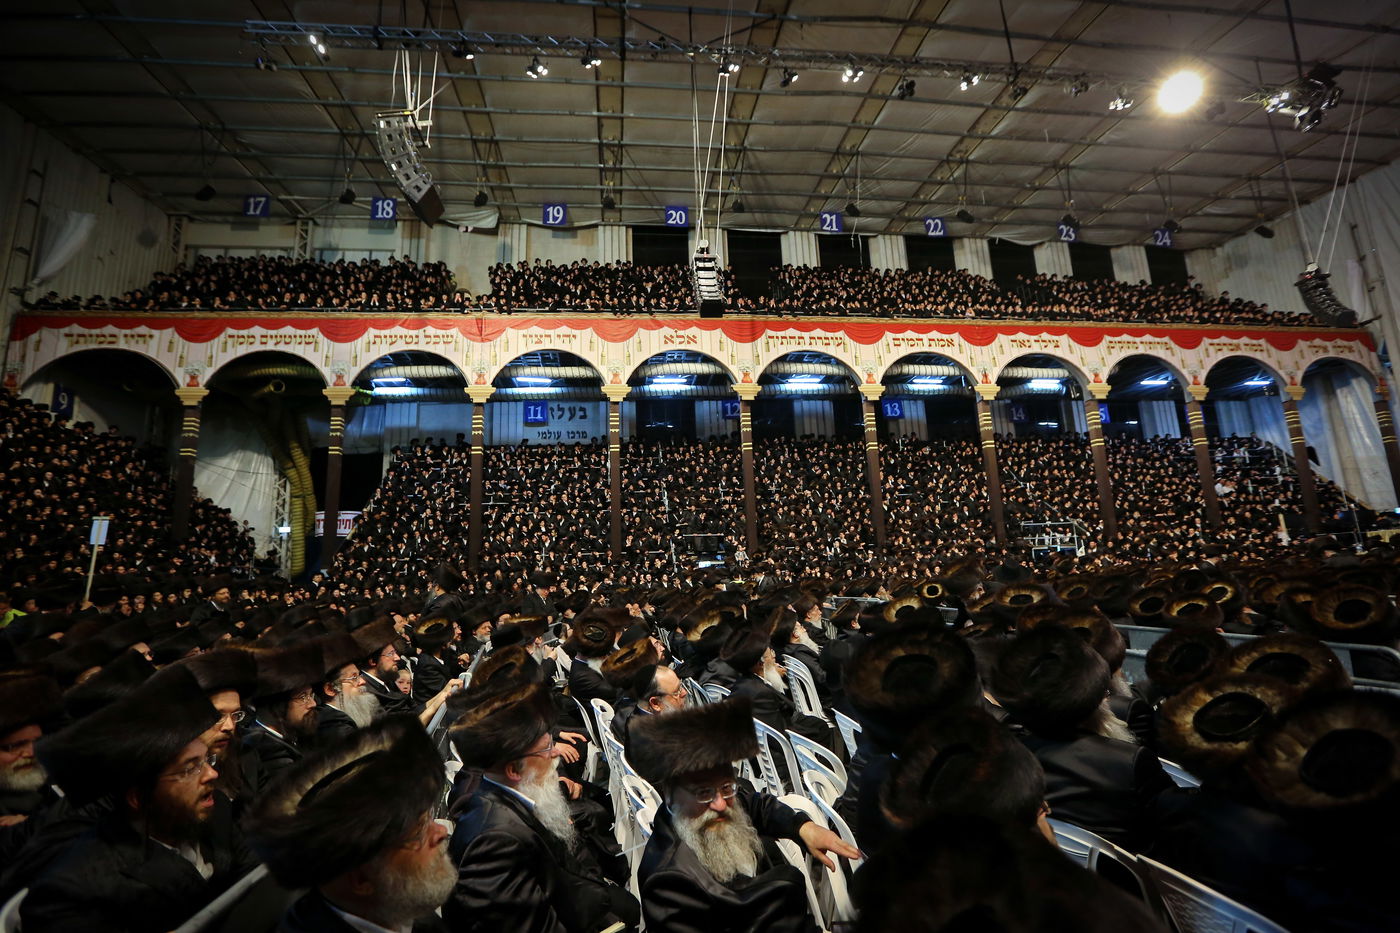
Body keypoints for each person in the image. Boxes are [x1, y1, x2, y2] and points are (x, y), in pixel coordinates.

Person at [26, 665, 259, 932]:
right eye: (190, 767)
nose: (211, 774)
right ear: (138, 797)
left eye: (207, 759)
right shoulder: (74, 893)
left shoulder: (214, 811)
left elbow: (255, 882)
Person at [629, 697, 859, 933]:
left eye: (727, 787)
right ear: (670, 795)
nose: (720, 804)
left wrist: (803, 827)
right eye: (703, 793)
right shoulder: (668, 886)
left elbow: (755, 803)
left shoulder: (706, 807)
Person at [445, 682, 640, 933]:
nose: (554, 756)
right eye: (546, 749)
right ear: (514, 769)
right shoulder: (494, 840)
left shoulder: (504, 798)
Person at [246, 716, 456, 932]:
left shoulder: (406, 913)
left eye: (428, 818)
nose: (440, 831)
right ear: (362, 879)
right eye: (419, 831)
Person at [242, 639, 325, 784]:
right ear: (276, 705)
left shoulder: (292, 734)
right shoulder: (267, 751)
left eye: (311, 695)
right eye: (302, 697)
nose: (312, 703)